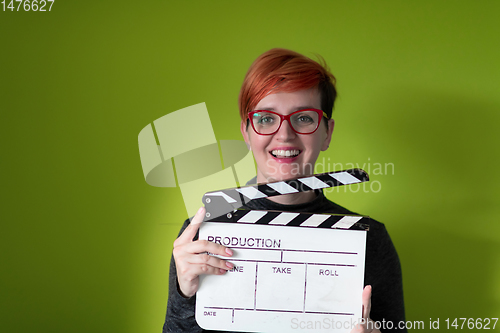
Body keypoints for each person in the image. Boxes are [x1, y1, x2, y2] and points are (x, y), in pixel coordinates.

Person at [163, 48, 405, 332]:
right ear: (247, 132)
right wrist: (184, 296)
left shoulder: (369, 238)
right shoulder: (201, 235)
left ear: (326, 132)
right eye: (266, 118)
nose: (284, 134)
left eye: (303, 118)